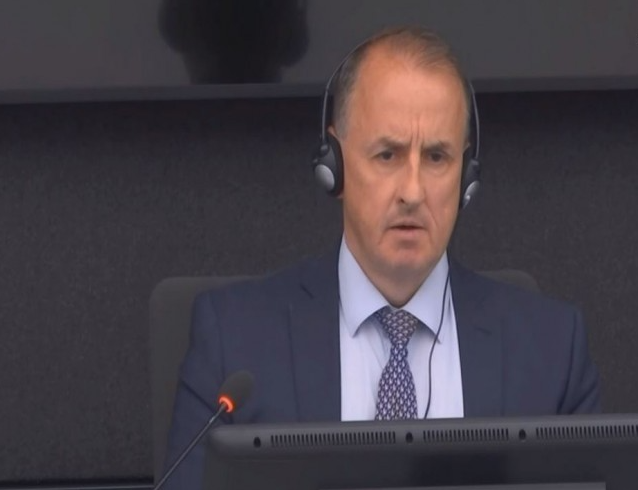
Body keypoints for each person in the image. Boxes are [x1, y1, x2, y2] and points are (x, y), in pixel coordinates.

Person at [164, 25, 601, 489]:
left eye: (436, 157)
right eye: (388, 155)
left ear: (466, 176)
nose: (412, 192)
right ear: (333, 166)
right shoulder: (235, 344)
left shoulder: (553, 353)